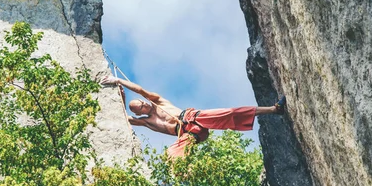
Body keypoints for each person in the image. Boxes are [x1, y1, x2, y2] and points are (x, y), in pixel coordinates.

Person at [100, 75, 285, 158]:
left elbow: (140, 90)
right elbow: (123, 119)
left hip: (194, 117)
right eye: (140, 106)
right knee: (171, 154)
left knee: (229, 113)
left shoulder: (158, 102)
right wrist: (122, 99)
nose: (144, 104)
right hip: (188, 134)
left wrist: (118, 80)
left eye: (142, 102)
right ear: (138, 112)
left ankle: (273, 109)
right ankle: (176, 182)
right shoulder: (146, 122)